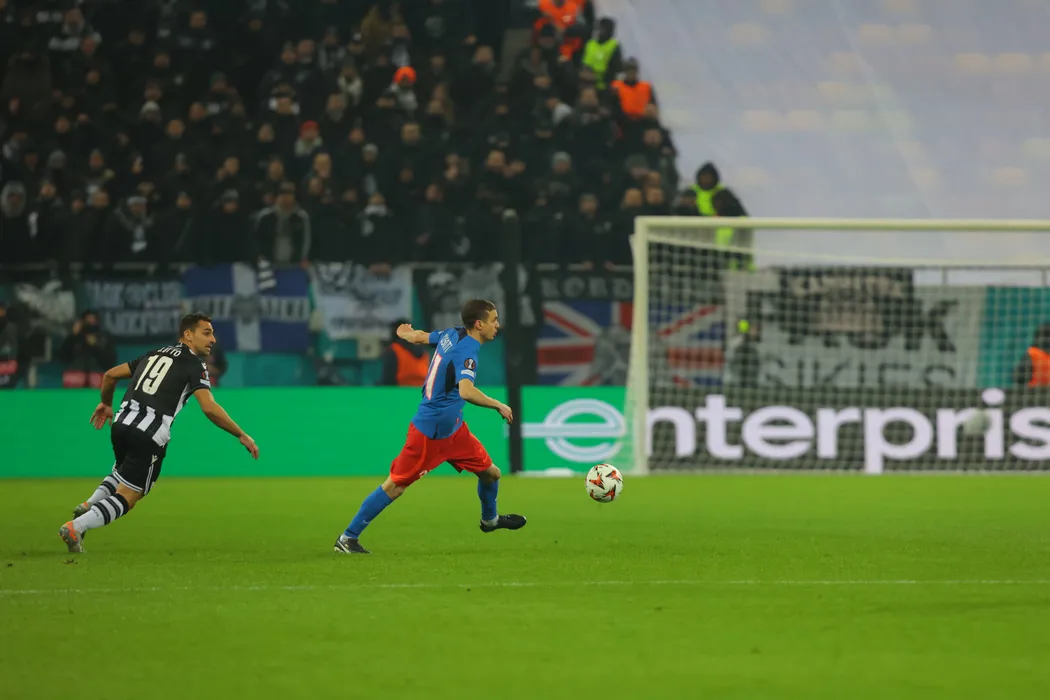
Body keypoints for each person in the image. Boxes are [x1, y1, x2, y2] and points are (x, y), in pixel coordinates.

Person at [334, 299, 526, 554]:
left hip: (454, 430)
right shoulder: (467, 351)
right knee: (395, 486)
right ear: (479, 324)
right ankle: (348, 538)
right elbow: (466, 391)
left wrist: (406, 333)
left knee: (491, 473)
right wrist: (498, 405)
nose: (498, 325)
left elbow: (421, 337)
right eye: (494, 320)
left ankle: (490, 520)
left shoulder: (452, 334)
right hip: (430, 433)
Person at [59, 313, 259, 553]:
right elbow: (209, 408)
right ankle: (76, 527)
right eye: (206, 333)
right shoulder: (194, 364)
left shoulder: (153, 354)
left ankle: (89, 504)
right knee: (130, 495)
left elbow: (110, 375)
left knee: (121, 472)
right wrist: (240, 434)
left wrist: (106, 403)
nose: (213, 339)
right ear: (188, 335)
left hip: (121, 424)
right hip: (149, 433)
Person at [379, 317, 430, 386]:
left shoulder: (395, 349)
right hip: (422, 389)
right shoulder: (423, 350)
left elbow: (388, 379)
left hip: (401, 389)